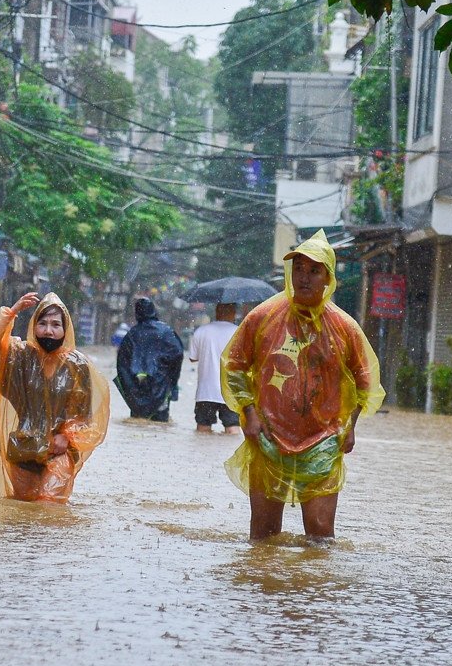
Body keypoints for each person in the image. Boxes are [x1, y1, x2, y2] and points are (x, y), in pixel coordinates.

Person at [222, 232, 382, 542]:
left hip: (323, 440)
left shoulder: (345, 328)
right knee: (263, 539)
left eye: (314, 271)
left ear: (328, 278)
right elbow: (235, 365)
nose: (304, 278)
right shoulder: (263, 317)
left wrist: (351, 426)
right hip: (269, 436)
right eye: (299, 269)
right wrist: (249, 413)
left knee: (321, 539)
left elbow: (365, 381)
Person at [0, 291, 109, 503]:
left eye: (56, 325)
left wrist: (66, 435)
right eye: (43, 324)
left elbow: (84, 414)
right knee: (24, 512)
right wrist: (13, 311)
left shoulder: (77, 365)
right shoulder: (21, 356)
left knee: (49, 506)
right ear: (33, 327)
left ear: (65, 330)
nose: (48, 331)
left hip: (60, 451)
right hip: (25, 448)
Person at [114, 296, 183, 422]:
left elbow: (122, 365)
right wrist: (169, 381)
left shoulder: (131, 335)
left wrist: (131, 389)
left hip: (137, 390)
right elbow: (177, 355)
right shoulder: (166, 332)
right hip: (161, 387)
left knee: (138, 424)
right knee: (160, 427)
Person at [187, 302, 241, 434]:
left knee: (203, 427)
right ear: (233, 313)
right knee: (233, 428)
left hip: (206, 392)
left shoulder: (201, 331)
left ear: (216, 312)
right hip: (230, 392)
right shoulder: (239, 332)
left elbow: (193, 358)